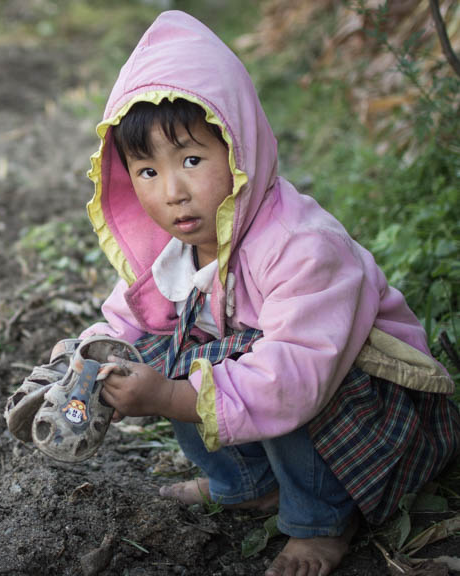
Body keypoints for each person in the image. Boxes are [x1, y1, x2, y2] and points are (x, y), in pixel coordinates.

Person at [51, 11, 460, 576]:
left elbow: (295, 376)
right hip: (291, 389)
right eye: (147, 171)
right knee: (159, 350)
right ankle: (249, 485)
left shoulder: (301, 245)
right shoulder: (183, 248)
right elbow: (127, 321)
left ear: (239, 151)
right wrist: (86, 356)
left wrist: (171, 398)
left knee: (228, 373)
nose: (173, 192)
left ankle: (321, 519)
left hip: (368, 412)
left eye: (193, 160)